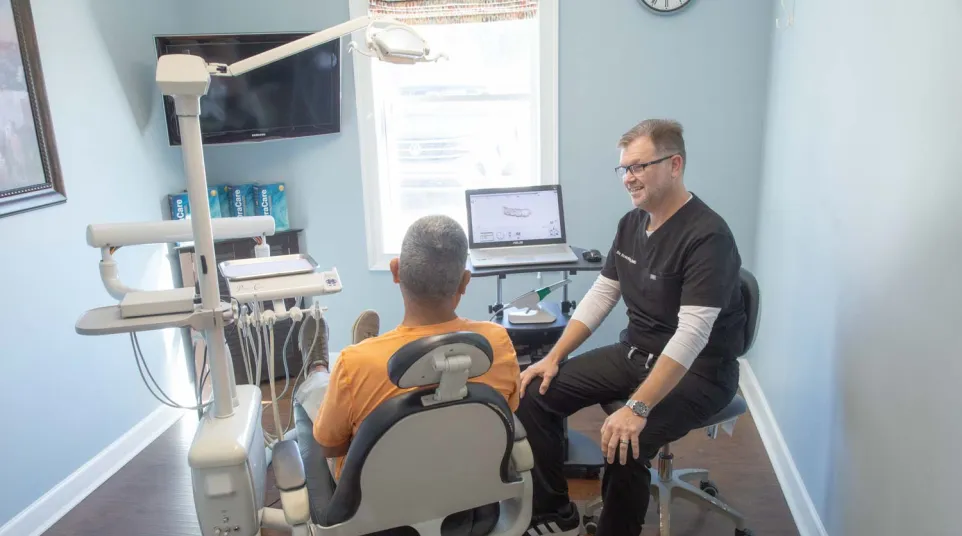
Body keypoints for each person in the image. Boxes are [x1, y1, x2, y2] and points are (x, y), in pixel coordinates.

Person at [517, 119, 747, 536]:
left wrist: (637, 407)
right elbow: (603, 294)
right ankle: (555, 514)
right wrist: (553, 357)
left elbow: (691, 335)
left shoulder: (707, 236)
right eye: (624, 168)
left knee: (627, 442)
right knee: (536, 392)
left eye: (639, 166)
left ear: (674, 165)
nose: (628, 178)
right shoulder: (631, 223)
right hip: (636, 353)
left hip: (699, 371)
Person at [309, 214, 522, 481]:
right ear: (465, 281)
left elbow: (330, 446)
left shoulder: (352, 362)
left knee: (317, 388)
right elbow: (506, 413)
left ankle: (317, 366)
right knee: (351, 378)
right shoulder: (496, 342)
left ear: (395, 271)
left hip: (376, 501)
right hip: (468, 488)